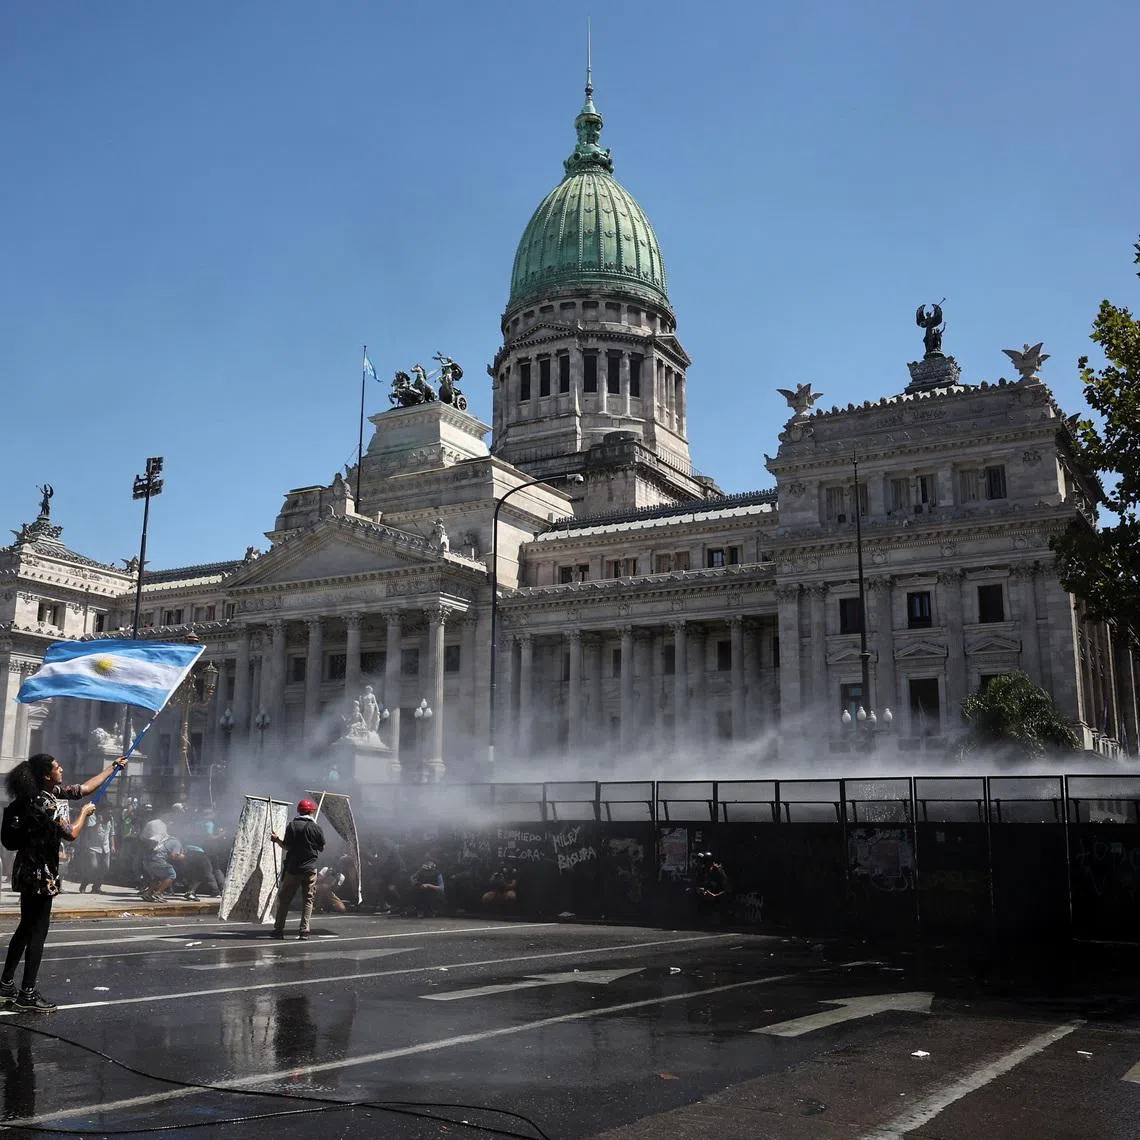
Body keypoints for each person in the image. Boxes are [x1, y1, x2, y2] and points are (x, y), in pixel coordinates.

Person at [0, 752, 127, 1012]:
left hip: (28, 871)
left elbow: (83, 789)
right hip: (40, 874)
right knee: (37, 933)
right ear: (47, 775)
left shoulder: (44, 793)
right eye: (57, 767)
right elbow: (71, 834)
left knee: (25, 928)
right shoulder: (44, 803)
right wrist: (85, 814)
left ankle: (5, 986)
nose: (62, 769)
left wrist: (112, 768)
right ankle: (28, 994)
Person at [270, 799, 325, 939]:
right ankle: (304, 931)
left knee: (284, 899)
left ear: (299, 811)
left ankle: (278, 930)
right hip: (310, 869)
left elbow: (287, 846)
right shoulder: (316, 827)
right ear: (311, 811)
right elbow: (321, 847)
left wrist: (276, 840)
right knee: (308, 900)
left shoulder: (292, 826)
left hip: (293, 869)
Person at [75, 808, 115, 893]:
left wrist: (112, 845)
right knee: (93, 867)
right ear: (102, 811)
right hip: (93, 847)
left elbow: (112, 833)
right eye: (108, 812)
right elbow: (90, 831)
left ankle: (96, 887)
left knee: (105, 868)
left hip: (105, 847)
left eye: (110, 812)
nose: (110, 814)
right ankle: (84, 883)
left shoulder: (111, 819)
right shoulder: (92, 817)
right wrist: (99, 822)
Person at [691, 851, 730, 925]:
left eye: (707, 864)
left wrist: (715, 896)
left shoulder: (719, 872)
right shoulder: (702, 871)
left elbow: (727, 889)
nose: (705, 866)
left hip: (717, 900)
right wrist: (700, 890)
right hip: (705, 899)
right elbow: (698, 883)